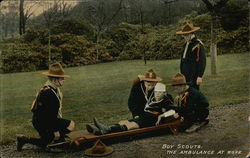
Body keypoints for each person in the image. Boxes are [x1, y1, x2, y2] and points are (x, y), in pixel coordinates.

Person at [16, 63, 75, 151]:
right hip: (42, 121)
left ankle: (25, 140)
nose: (64, 80)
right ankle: (56, 141)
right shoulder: (48, 93)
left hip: (42, 119)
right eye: (62, 78)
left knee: (47, 141)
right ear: (55, 80)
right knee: (69, 126)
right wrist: (55, 131)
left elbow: (50, 114)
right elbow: (49, 116)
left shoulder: (51, 89)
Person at [85, 82, 175, 135]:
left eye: (160, 92)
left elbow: (173, 110)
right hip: (145, 116)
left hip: (152, 118)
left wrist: (162, 115)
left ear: (164, 93)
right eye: (156, 92)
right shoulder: (153, 99)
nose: (157, 94)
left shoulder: (166, 99)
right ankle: (100, 130)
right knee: (124, 122)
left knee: (131, 125)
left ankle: (106, 130)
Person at [176, 22, 206, 90]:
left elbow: (202, 62)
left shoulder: (198, 45)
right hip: (185, 75)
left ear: (190, 34)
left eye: (184, 35)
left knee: (194, 93)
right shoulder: (185, 44)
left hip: (193, 74)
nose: (183, 37)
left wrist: (199, 76)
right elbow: (183, 60)